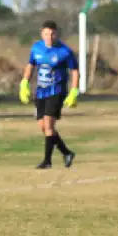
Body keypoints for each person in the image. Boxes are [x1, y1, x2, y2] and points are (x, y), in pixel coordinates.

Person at [19, 20, 79, 169]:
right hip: (41, 91)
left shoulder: (65, 51)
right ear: (42, 34)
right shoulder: (36, 48)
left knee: (49, 125)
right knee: (43, 127)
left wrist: (74, 90)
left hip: (57, 91)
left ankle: (47, 161)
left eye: (52, 34)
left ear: (57, 34)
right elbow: (30, 65)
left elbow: (75, 71)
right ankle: (66, 152)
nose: (49, 37)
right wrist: (24, 82)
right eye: (46, 34)